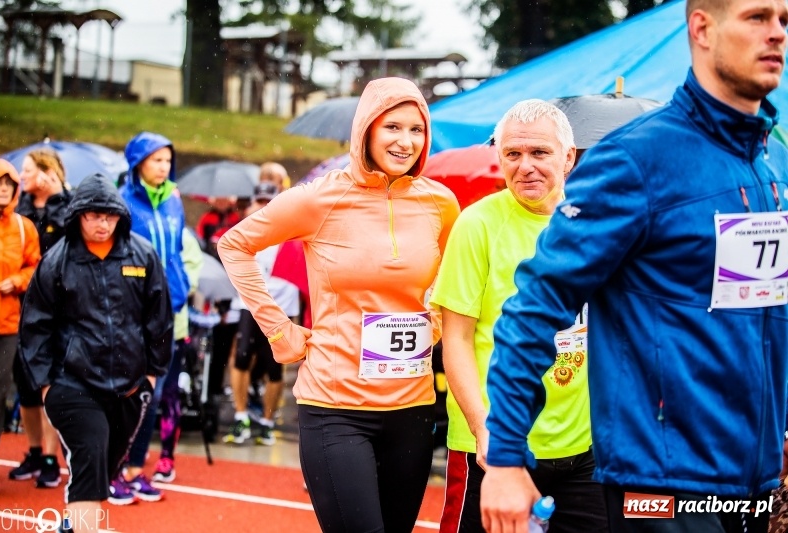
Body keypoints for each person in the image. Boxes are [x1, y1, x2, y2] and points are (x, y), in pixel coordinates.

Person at [480, 2, 788, 533]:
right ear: (703, 28)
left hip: (754, 484)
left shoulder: (771, 161)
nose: (777, 34)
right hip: (661, 483)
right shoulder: (635, 160)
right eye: (757, 17)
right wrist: (507, 456)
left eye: (784, 19)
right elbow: (533, 307)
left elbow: (767, 312)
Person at [218, 77, 460, 532]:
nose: (405, 141)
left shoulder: (439, 203)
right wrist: (278, 329)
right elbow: (235, 245)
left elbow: (451, 277)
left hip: (412, 408)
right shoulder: (320, 197)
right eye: (392, 127)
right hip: (336, 409)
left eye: (417, 129)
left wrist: (440, 319)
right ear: (366, 128)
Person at [430, 99, 607, 533]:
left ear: (568, 157)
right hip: (494, 444)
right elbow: (455, 340)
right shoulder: (477, 225)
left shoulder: (595, 223)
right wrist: (484, 431)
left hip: (583, 449)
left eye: (539, 153)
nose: (525, 166)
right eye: (512, 154)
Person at [19, 173, 172, 529]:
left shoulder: (142, 254)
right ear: (78, 216)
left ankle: (75, 524)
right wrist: (45, 384)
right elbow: (35, 325)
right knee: (89, 450)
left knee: (104, 465)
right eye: (93, 215)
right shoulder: (57, 261)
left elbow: (159, 319)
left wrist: (150, 375)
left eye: (110, 215)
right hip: (71, 382)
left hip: (130, 386)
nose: (103, 224)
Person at [117, 131, 190, 503]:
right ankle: (117, 468)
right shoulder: (123, 202)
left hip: (171, 312)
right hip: (135, 314)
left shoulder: (174, 202)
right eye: (156, 160)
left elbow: (177, 251)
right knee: (132, 391)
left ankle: (135, 469)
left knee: (156, 392)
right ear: (138, 163)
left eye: (167, 160)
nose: (163, 167)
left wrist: (182, 288)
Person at [9, 148, 73, 489]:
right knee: (25, 385)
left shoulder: (67, 207)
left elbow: (72, 241)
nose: (22, 176)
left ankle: (50, 456)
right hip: (19, 307)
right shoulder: (17, 210)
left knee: (50, 383)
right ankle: (34, 451)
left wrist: (59, 192)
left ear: (47, 172)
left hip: (55, 310)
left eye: (28, 170)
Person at [223, 182, 302, 446]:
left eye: (270, 201)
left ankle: (268, 421)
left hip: (282, 307)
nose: (264, 207)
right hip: (250, 305)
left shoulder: (290, 231)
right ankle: (241, 415)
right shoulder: (243, 232)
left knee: (275, 367)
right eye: (260, 201)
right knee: (242, 356)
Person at [0, 158, 40, 496]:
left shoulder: (24, 228)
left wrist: (17, 281)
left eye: (9, 183)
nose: (4, 188)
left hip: (7, 324)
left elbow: (35, 266)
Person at [152, 227, 203, 483]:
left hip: (174, 328)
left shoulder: (182, 236)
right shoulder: (133, 225)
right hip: (137, 330)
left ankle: (166, 457)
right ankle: (127, 458)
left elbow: (190, 281)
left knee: (167, 393)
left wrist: (159, 288)